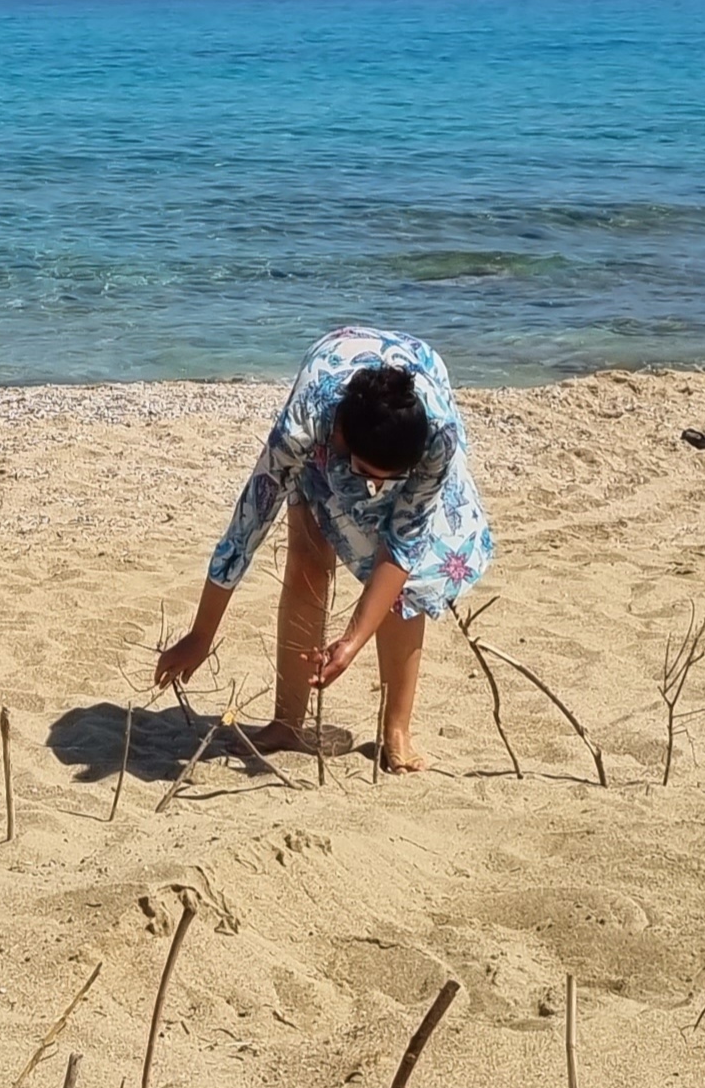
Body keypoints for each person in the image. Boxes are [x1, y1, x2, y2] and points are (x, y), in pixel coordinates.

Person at [155, 326, 491, 775]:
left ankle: (396, 732)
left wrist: (351, 643)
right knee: (308, 558)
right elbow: (245, 530)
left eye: (388, 480)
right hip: (332, 393)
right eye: (368, 474)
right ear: (340, 441)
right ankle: (287, 722)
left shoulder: (437, 440)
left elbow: (402, 547)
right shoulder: (303, 428)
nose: (375, 488)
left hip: (415, 388)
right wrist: (201, 635)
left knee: (402, 589)